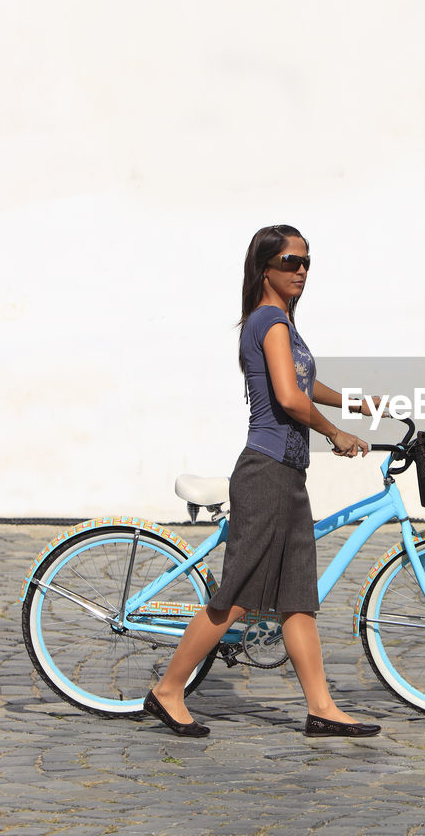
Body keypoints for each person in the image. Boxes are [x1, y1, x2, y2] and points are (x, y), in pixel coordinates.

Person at [143, 224, 382, 739]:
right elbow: (290, 399)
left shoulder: (284, 324)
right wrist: (336, 433)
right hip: (266, 472)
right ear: (265, 269)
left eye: (307, 263)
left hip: (289, 474)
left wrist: (353, 402)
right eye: (290, 263)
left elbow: (304, 384)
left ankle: (321, 707)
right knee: (237, 596)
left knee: (297, 597)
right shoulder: (269, 320)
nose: (300, 272)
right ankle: (167, 690)